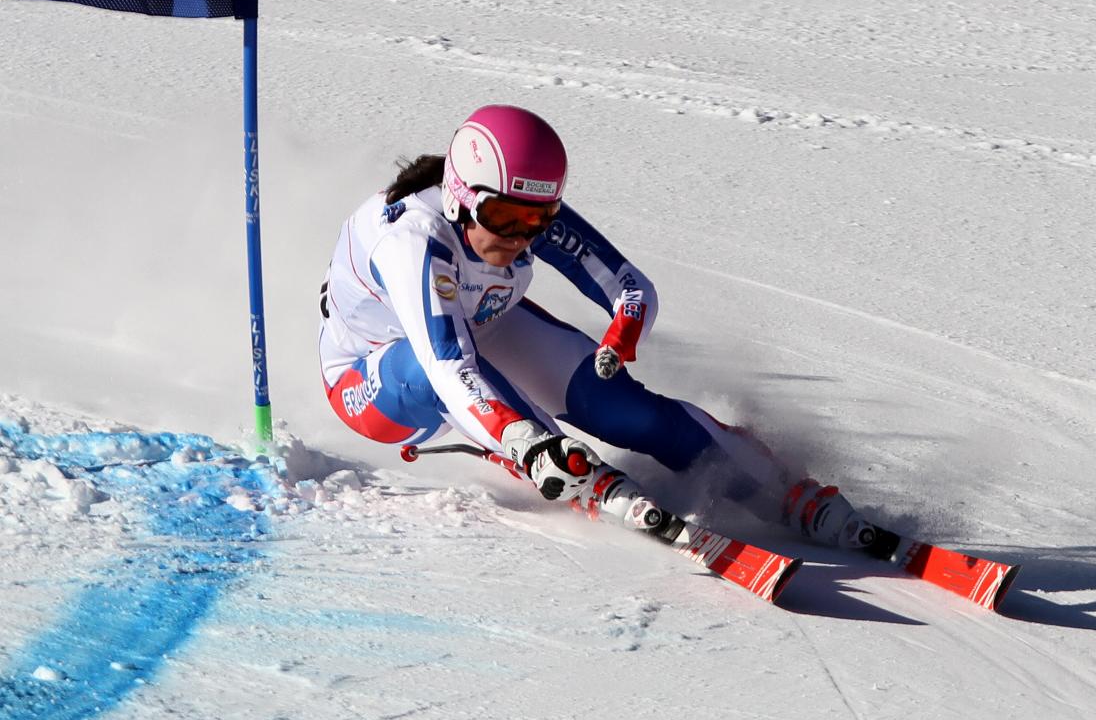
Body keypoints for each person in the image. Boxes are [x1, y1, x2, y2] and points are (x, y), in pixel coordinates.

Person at [318, 104, 874, 549]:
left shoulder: (523, 204)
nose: (518, 237)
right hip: (376, 380)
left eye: (536, 221)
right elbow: (446, 364)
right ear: (462, 198)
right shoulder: (414, 242)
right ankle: (579, 476)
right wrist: (528, 442)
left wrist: (624, 331)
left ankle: (783, 494)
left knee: (626, 409)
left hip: (480, 330)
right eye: (503, 219)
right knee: (472, 392)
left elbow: (629, 287)